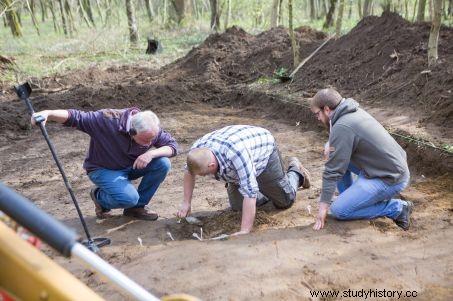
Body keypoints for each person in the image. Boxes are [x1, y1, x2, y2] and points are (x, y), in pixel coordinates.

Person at [31, 107, 178, 220]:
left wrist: (151, 153)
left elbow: (172, 146)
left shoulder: (150, 127)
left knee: (163, 163)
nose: (150, 143)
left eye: (152, 139)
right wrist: (48, 113)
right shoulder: (106, 120)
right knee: (129, 198)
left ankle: (135, 209)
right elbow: (75, 117)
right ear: (131, 131)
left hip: (130, 166)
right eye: (146, 140)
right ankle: (99, 198)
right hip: (103, 169)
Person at [176, 125, 311, 235]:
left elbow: (250, 192)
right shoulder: (196, 151)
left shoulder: (236, 154)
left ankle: (296, 171)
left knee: (284, 201)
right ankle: (266, 188)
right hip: (240, 164)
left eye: (204, 174)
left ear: (212, 165)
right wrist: (186, 202)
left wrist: (244, 231)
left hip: (263, 155)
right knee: (238, 207)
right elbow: (189, 171)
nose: (203, 176)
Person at [310, 88, 413, 231]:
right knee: (333, 152)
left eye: (317, 114)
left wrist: (323, 208)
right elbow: (339, 146)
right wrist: (330, 143)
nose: (318, 119)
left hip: (389, 178)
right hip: (386, 167)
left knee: (339, 210)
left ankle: (397, 208)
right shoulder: (349, 112)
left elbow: (332, 171)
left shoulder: (343, 125)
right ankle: (350, 196)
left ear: (326, 109)